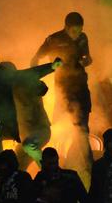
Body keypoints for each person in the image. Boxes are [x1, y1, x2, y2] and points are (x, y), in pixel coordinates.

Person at [34, 12, 93, 170]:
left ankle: (85, 165)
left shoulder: (83, 38)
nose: (78, 33)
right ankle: (56, 163)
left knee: (82, 130)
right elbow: (37, 58)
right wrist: (35, 77)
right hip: (63, 89)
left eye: (80, 30)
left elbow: (87, 58)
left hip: (81, 88)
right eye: (75, 30)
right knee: (58, 126)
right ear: (66, 28)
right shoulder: (54, 39)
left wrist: (86, 61)